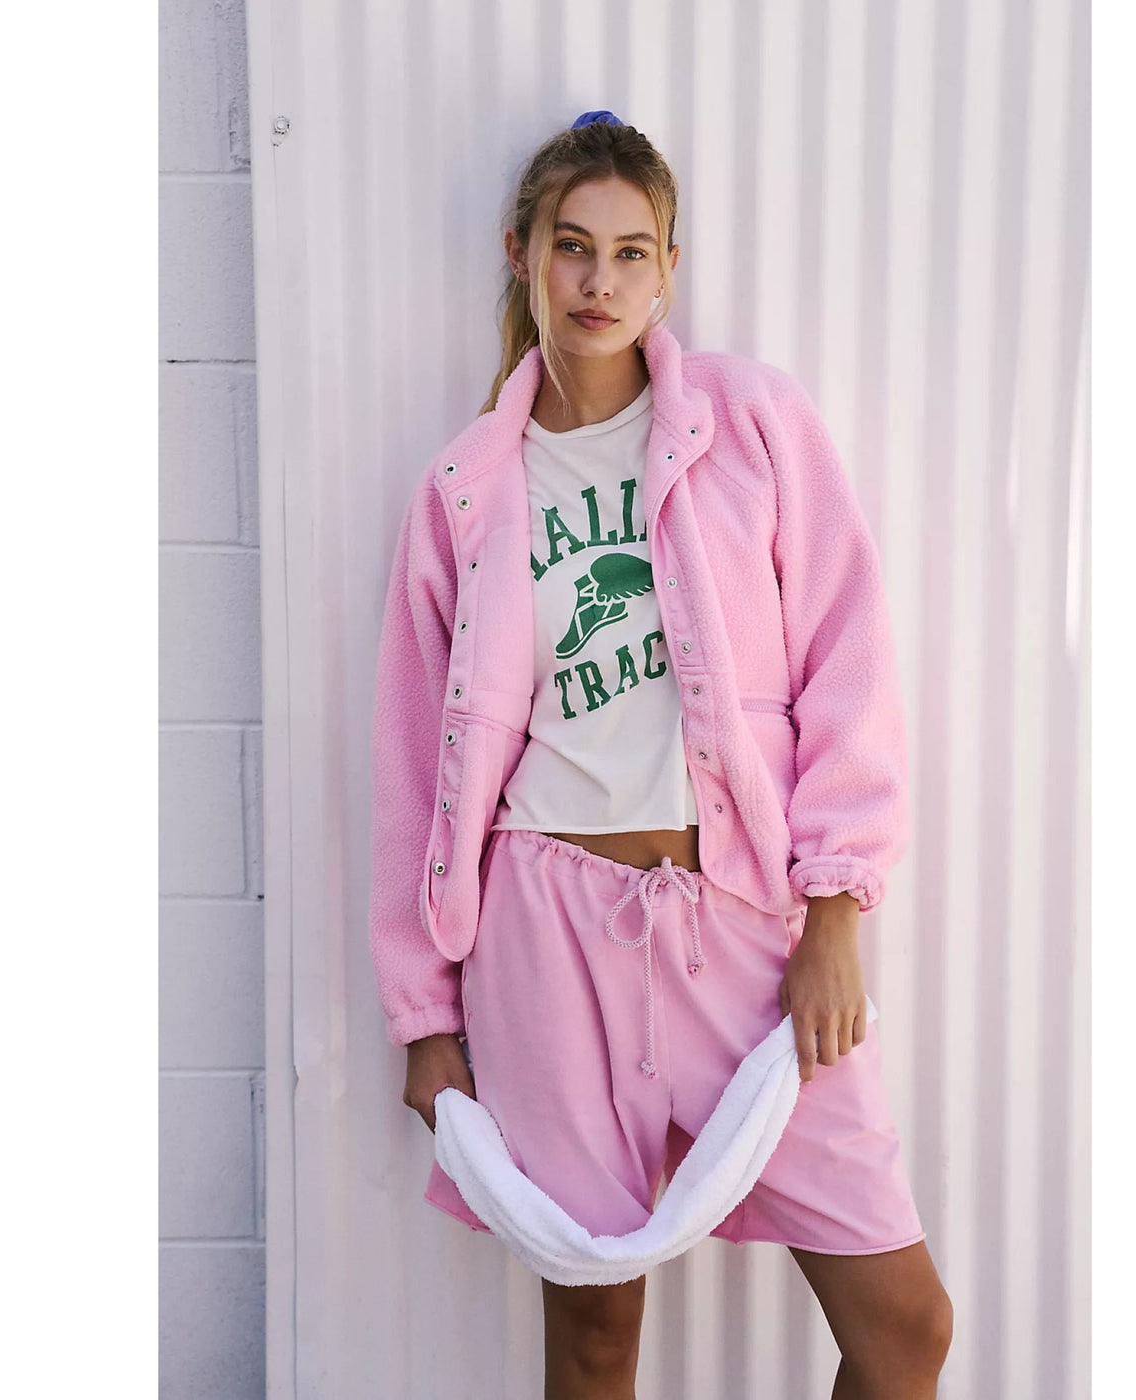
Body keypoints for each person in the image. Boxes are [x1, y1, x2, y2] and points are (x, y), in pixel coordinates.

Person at [368, 111, 953, 1400]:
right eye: (572, 246)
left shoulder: (749, 425)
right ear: (522, 254)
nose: (599, 280)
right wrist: (424, 1017)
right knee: (593, 1337)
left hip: (741, 926)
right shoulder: (467, 489)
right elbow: (415, 766)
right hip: (544, 937)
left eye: (631, 252)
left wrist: (835, 912)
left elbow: (848, 661)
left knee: (903, 1327)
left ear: (668, 270)